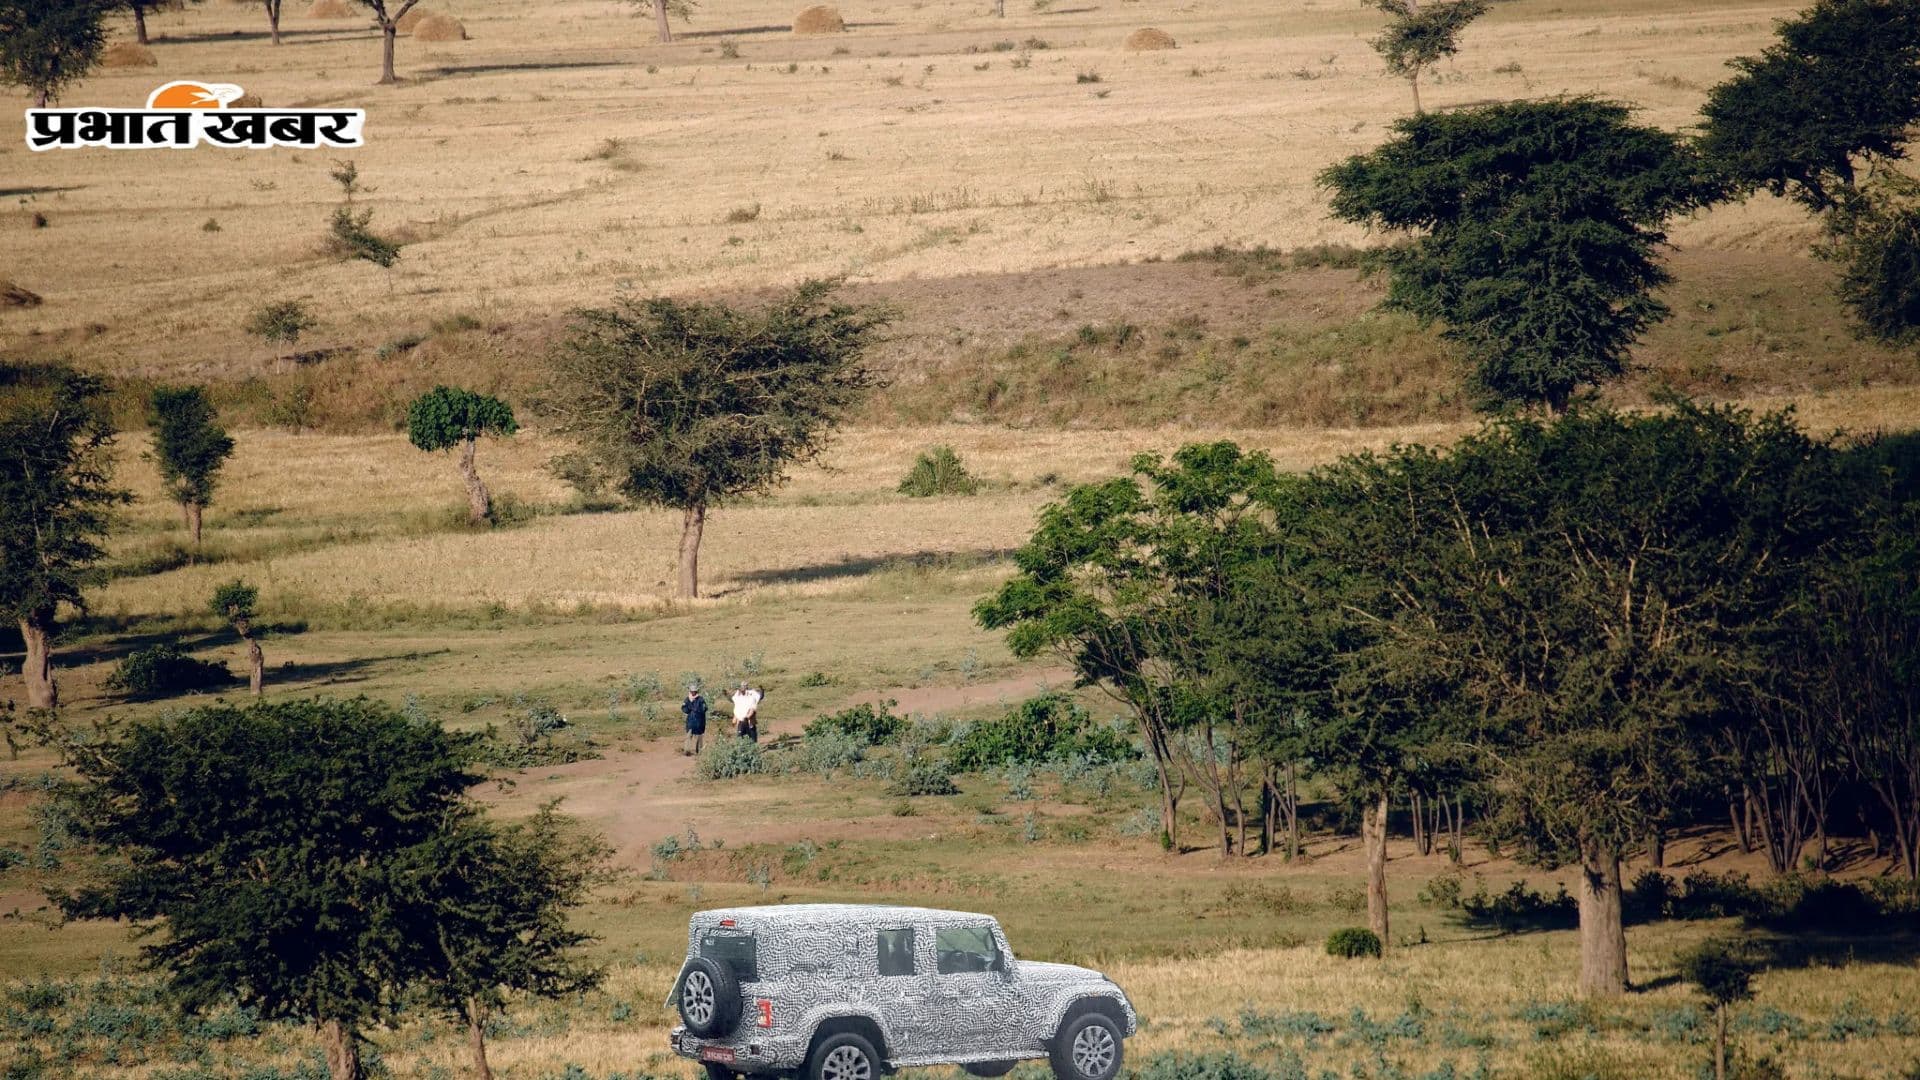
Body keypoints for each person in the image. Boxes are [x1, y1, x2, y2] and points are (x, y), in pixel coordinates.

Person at [681, 685, 708, 756]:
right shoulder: (687, 699)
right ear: (690, 691)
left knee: (699, 736)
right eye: (692, 691)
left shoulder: (701, 699)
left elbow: (705, 708)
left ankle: (699, 751)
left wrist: (698, 711)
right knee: (689, 735)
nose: (693, 693)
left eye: (694, 691)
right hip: (690, 721)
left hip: (699, 721)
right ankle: (687, 751)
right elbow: (683, 708)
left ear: (696, 691)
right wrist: (689, 709)